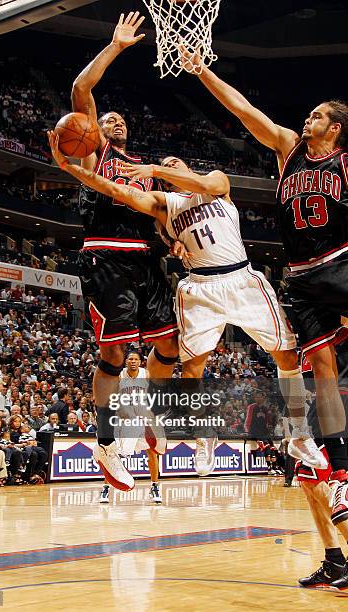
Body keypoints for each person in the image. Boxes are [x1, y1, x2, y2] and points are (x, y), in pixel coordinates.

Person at [48, 134, 324, 478]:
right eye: (165, 168)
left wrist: (156, 168)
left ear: (186, 166)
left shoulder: (215, 182)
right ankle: (204, 433)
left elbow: (196, 180)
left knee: (287, 354)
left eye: (173, 163)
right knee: (192, 368)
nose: (169, 167)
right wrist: (72, 169)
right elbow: (121, 192)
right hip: (199, 288)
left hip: (242, 279)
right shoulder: (166, 204)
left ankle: (298, 433)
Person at [177, 49, 348, 589]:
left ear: (337, 127)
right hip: (300, 276)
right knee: (315, 363)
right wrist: (202, 70)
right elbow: (245, 110)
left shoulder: (345, 162)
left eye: (318, 115)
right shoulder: (289, 150)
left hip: (341, 263)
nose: (308, 119)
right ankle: (339, 485)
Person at [69, 11, 179, 491]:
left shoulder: (145, 167)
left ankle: (150, 411)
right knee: (114, 349)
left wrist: (173, 235)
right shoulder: (95, 152)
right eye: (106, 118)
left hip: (146, 260)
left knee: (170, 344)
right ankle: (107, 440)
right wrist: (114, 46)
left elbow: (162, 211)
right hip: (106, 254)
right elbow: (80, 91)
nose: (112, 121)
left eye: (118, 119)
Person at [99, 351, 163, 504]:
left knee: (152, 452)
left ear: (140, 361)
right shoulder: (119, 375)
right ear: (126, 361)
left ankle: (155, 486)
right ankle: (106, 488)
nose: (133, 361)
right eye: (130, 359)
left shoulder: (146, 374)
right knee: (112, 453)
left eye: (136, 359)